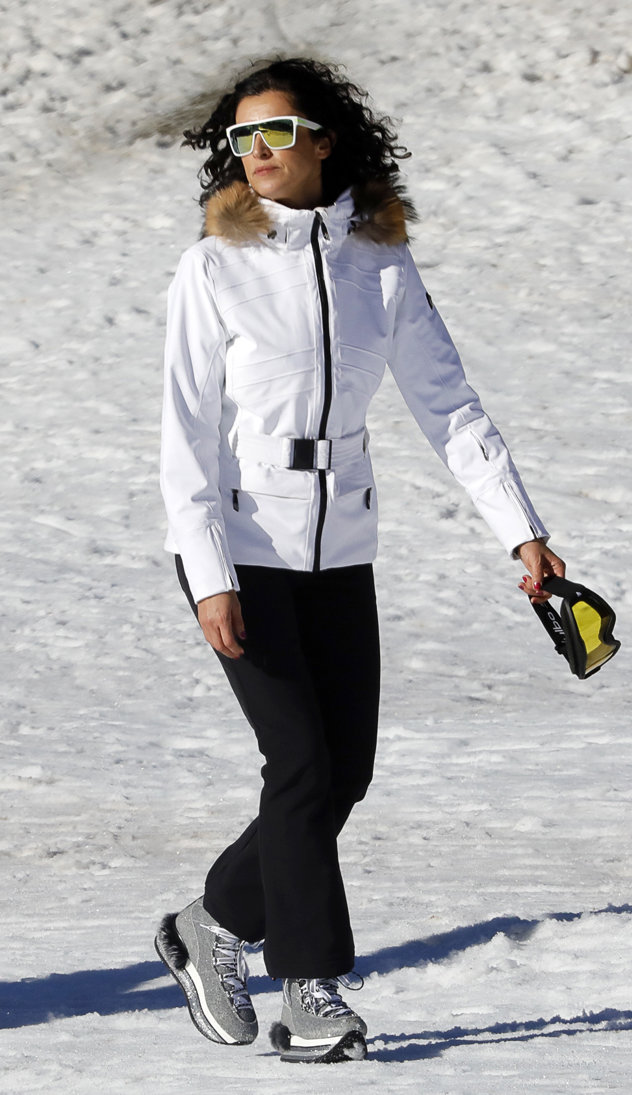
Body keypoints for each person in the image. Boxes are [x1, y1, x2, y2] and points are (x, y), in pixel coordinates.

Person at [155, 56, 565, 1062]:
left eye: (277, 132)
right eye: (244, 137)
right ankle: (311, 992)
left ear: (324, 141)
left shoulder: (380, 263)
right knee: (299, 763)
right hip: (242, 546)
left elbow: (449, 406)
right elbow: (184, 435)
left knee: (342, 775)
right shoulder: (214, 267)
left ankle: (211, 924)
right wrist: (208, 575)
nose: (257, 151)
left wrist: (523, 530)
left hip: (342, 549)